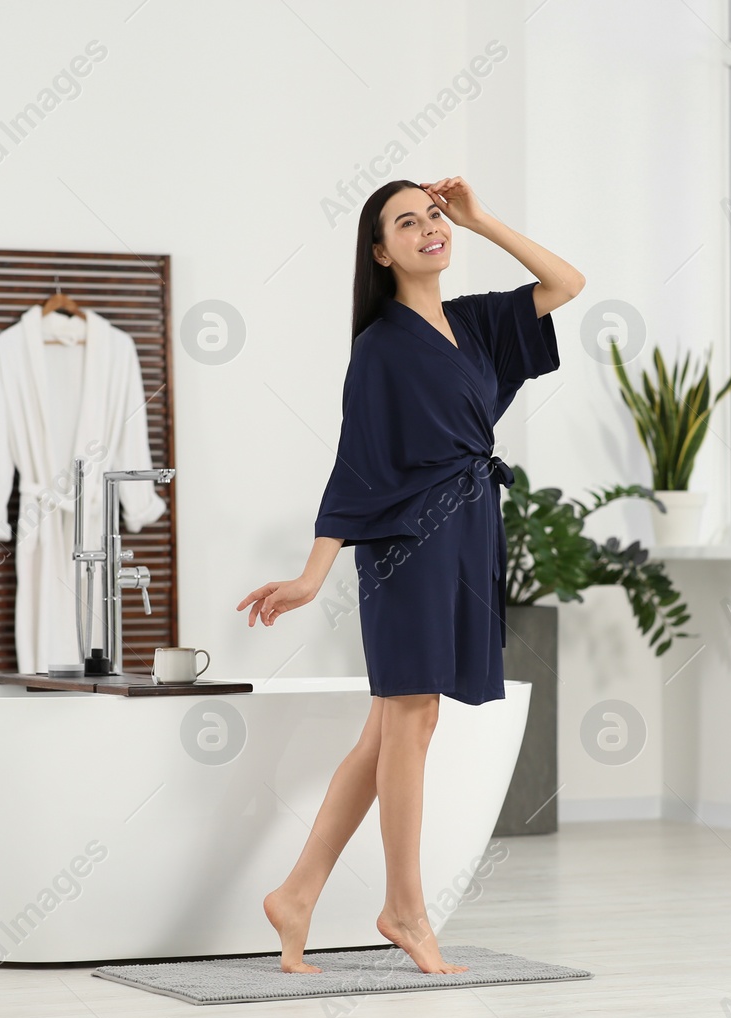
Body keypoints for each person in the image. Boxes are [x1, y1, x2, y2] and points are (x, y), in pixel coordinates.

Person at [236, 176, 584, 974]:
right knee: (413, 718)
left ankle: (296, 893)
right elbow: (354, 464)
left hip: (467, 533)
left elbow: (566, 283)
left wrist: (480, 217)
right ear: (379, 251)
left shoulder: (478, 323)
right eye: (408, 221)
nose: (429, 229)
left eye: (433, 216)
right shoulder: (382, 348)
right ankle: (404, 906)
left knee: (393, 726)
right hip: (405, 545)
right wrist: (311, 574)